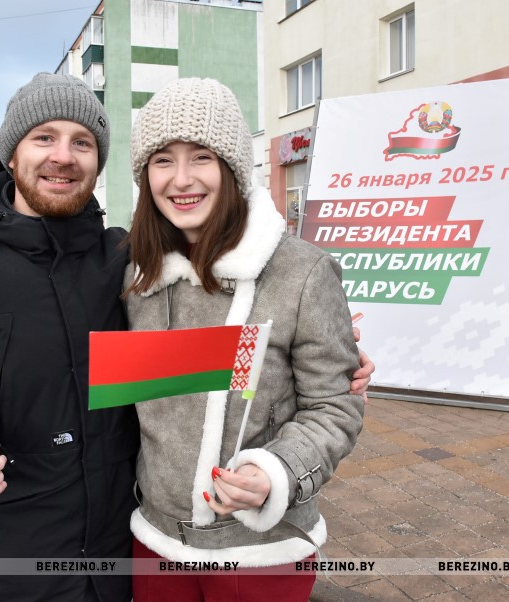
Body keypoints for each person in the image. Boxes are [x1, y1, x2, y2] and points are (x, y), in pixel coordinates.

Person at [0, 73, 374, 601]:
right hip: (9, 568)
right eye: (43, 137)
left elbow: (200, 345)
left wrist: (321, 360)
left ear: (100, 162)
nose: (63, 156)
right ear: (11, 153)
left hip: (122, 558)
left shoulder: (125, 260)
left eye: (83, 142)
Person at [122, 78, 365, 601]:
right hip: (155, 543)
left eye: (201, 157)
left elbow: (334, 408)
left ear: (232, 167)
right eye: (162, 160)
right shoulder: (133, 278)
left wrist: (275, 471)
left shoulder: (302, 271)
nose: (181, 179)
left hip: (260, 550)